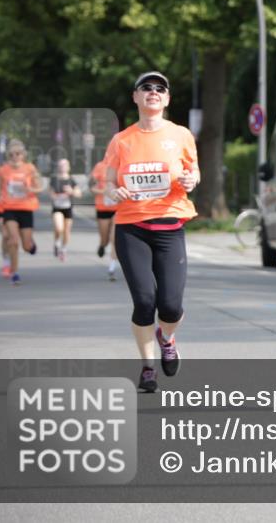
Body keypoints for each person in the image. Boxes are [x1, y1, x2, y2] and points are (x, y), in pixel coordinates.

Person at [104, 71, 199, 393]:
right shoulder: (122, 140)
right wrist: (112, 192)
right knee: (145, 301)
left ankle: (167, 338)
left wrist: (191, 180)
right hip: (131, 228)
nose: (153, 92)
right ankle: (147, 368)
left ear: (167, 99)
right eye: (147, 88)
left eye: (160, 88)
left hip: (170, 227)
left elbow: (193, 170)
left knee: (170, 306)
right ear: (136, 97)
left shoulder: (181, 135)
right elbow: (107, 181)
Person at [0, 140, 43, 285]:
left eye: (17, 154)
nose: (14, 157)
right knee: (13, 240)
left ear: (23, 155)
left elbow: (40, 187)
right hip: (9, 209)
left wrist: (31, 190)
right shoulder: (3, 170)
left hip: (26, 208)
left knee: (26, 246)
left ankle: (30, 244)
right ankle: (14, 272)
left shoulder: (30, 168)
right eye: (11, 154)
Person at [90, 157, 120, 281]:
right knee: (105, 239)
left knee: (115, 239)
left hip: (118, 208)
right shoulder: (99, 166)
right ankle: (102, 245)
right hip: (102, 207)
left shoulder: (123, 165)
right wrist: (104, 191)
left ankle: (112, 268)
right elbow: (91, 187)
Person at [48, 158, 81, 261]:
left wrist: (71, 191)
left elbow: (78, 194)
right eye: (61, 165)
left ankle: (63, 249)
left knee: (66, 231)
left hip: (68, 208)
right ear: (58, 167)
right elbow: (50, 192)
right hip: (57, 207)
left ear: (68, 167)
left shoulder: (71, 180)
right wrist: (55, 196)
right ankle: (57, 242)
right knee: (59, 228)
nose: (62, 167)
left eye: (64, 165)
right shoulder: (54, 179)